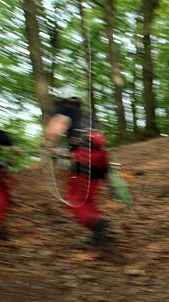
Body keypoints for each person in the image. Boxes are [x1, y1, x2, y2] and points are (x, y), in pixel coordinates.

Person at [43, 85, 111, 247]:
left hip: (84, 156)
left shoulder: (64, 110)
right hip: (101, 158)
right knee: (88, 198)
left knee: (74, 199)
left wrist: (48, 144)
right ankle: (99, 234)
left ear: (63, 100)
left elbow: (58, 125)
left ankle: (96, 223)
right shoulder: (87, 115)